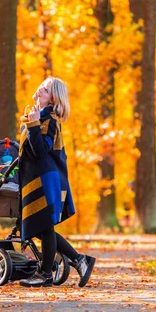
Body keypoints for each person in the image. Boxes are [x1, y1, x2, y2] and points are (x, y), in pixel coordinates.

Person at [18, 77, 96, 288]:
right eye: (41, 86)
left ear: (53, 98)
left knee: (43, 227)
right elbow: (30, 152)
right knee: (41, 228)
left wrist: (33, 124)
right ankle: (80, 260)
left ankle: (45, 273)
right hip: (35, 178)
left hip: (46, 180)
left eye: (45, 89)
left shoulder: (49, 119)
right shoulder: (35, 115)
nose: (39, 89)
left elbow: (42, 152)